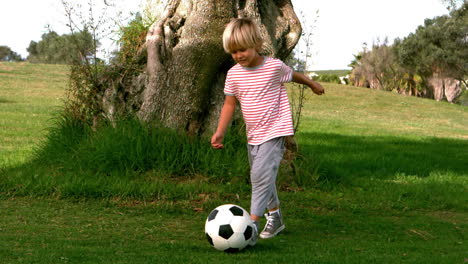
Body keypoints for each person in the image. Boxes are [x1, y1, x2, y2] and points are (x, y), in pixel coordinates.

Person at [211, 18, 325, 243]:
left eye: (242, 49)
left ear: (256, 43)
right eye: (233, 52)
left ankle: (252, 225)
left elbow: (293, 75)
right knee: (263, 178)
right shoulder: (234, 74)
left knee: (260, 177)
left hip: (275, 131)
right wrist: (220, 131)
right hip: (253, 135)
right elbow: (229, 104)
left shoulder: (273, 67)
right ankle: (275, 217)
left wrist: (312, 84)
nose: (238, 55)